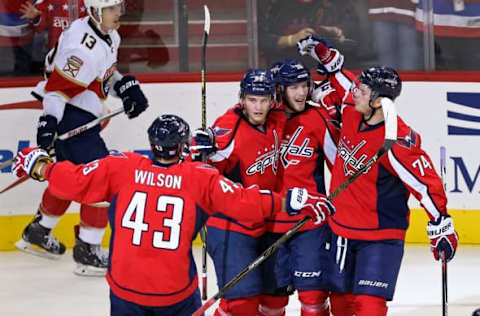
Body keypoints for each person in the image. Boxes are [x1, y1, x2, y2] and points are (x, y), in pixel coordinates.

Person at [12, 114, 333, 316]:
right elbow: (246, 202)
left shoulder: (120, 167)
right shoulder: (199, 178)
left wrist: (40, 165)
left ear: (152, 144)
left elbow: (72, 181)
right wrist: (291, 199)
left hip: (125, 287)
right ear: (182, 146)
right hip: (174, 292)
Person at [298, 35, 459, 315]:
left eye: (362, 90)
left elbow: (424, 183)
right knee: (341, 305)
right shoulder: (351, 110)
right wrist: (325, 56)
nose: (355, 93)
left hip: (380, 237)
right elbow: (341, 79)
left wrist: (441, 223)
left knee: (369, 307)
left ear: (377, 100)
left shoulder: (396, 141)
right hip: (341, 231)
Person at [14, 0, 149, 277]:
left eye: (118, 7)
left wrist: (124, 86)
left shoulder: (109, 34)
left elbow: (102, 77)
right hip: (70, 114)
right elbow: (57, 92)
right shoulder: (81, 48)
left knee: (70, 175)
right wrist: (49, 123)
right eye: (111, 9)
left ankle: (39, 232)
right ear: (96, 12)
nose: (118, 13)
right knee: (101, 178)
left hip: (81, 111)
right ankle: (88, 250)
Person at [193, 69, 288, 316]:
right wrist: (201, 151)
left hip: (268, 221)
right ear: (242, 99)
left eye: (263, 100)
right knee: (241, 303)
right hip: (230, 225)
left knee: (275, 300)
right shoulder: (227, 128)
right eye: (252, 100)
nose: (258, 107)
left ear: (272, 100)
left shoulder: (278, 117)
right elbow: (203, 174)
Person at [257, 59, 339, 316]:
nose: (301, 92)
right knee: (271, 303)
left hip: (310, 224)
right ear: (279, 90)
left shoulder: (318, 118)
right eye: (293, 87)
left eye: (304, 85)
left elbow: (340, 164)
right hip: (270, 224)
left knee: (313, 299)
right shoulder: (263, 118)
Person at [20, 0, 87, 50]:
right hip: (54, 52)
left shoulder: (88, 2)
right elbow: (39, 28)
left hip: (81, 52)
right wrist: (36, 18)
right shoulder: (45, 2)